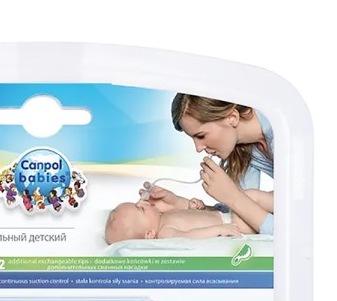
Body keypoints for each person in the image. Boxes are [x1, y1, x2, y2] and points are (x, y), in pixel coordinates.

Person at [169, 95, 275, 236]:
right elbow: (243, 213)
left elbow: (293, 232)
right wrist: (183, 205)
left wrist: (233, 196)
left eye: (201, 136)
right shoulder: (243, 149)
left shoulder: (285, 134)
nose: (198, 148)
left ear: (232, 117)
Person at [105, 189, 273, 244]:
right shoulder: (165, 232)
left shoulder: (165, 216)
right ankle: (284, 202)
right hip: (232, 223)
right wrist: (219, 230)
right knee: (250, 197)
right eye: (140, 209)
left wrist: (196, 207)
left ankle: (282, 200)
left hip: (225, 214)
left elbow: (192, 218)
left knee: (251, 197)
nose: (143, 202)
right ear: (149, 234)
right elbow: (191, 235)